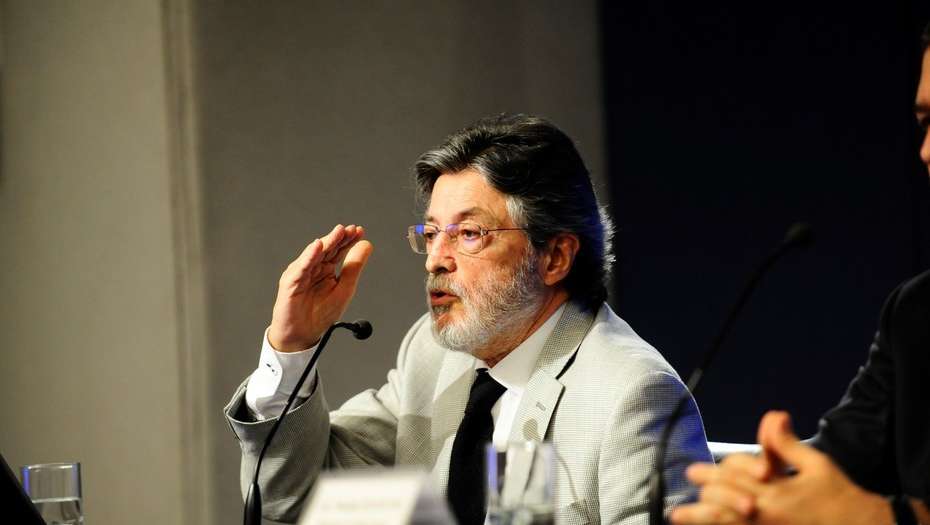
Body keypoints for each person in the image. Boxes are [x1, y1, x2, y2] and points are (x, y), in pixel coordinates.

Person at [224, 114, 712, 524]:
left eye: (469, 234)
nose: (435, 260)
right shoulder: (434, 354)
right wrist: (293, 348)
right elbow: (293, 501)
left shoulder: (633, 395)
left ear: (555, 257)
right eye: (432, 233)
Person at [669, 24, 930, 525]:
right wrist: (761, 494)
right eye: (926, 123)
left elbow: (853, 509)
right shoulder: (916, 312)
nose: (925, 152)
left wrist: (877, 518)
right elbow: (838, 465)